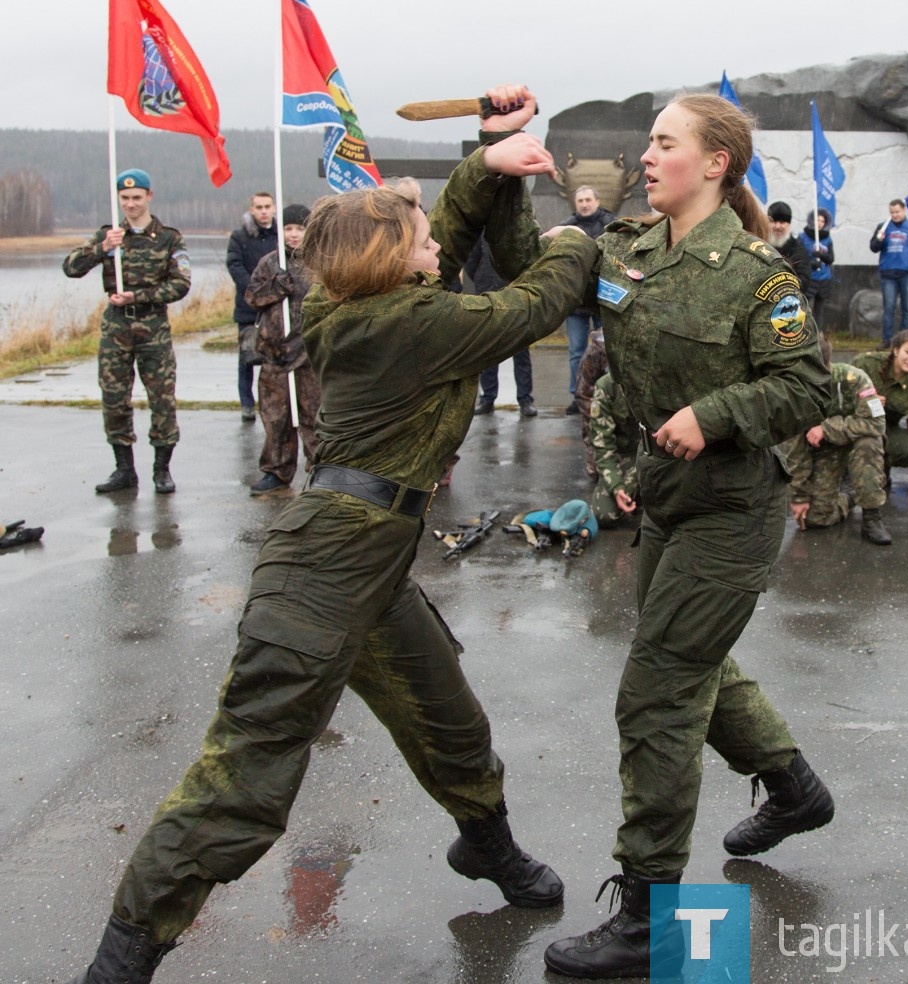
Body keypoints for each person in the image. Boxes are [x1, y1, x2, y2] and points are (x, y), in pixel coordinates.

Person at [62, 90, 601, 984]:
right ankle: (118, 961)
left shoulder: (371, 306)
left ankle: (488, 849)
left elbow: (447, 235)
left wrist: (488, 155)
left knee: (451, 722)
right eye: (423, 241)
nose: (439, 249)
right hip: (321, 570)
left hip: (377, 561)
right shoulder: (414, 325)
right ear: (396, 262)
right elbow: (536, 301)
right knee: (246, 779)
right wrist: (576, 239)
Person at [477, 86, 834, 979]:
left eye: (664, 143)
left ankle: (652, 916)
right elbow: (532, 266)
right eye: (648, 142)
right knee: (690, 666)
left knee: (658, 693)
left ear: (714, 163)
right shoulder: (625, 251)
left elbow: (808, 389)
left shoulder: (760, 275)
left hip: (733, 510)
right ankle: (794, 789)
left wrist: (712, 413)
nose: (645, 156)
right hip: (667, 498)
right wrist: (498, 165)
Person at [62, 168, 190, 495]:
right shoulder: (110, 235)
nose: (130, 204)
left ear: (149, 196)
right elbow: (71, 268)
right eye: (124, 198)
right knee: (114, 398)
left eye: (136, 197)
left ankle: (162, 469)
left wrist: (141, 295)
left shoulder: (169, 238)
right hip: (116, 326)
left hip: (153, 327)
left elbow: (180, 284)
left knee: (161, 398)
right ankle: (124, 468)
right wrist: (102, 248)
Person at [244, 204, 321, 496]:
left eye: (299, 228)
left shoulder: (318, 263)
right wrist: (277, 287)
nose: (293, 235)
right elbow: (252, 296)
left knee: (313, 417)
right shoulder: (270, 263)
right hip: (274, 356)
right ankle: (276, 471)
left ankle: (319, 471)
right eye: (288, 228)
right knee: (276, 418)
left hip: (309, 355)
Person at [784, 335, 891, 544]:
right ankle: (849, 496)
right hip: (826, 451)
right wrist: (798, 496)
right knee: (816, 519)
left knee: (869, 443)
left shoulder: (855, 379)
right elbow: (795, 448)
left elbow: (876, 424)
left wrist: (826, 427)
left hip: (858, 446)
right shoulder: (797, 391)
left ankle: (871, 517)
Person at [853, 330, 908, 498]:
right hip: (852, 421)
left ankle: (881, 470)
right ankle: (846, 472)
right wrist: (863, 400)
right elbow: (837, 392)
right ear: (895, 350)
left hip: (884, 428)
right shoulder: (867, 364)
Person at [465, 235, 537, 417]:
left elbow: (531, 260)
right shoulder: (482, 232)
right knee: (488, 351)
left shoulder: (520, 230)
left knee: (521, 352)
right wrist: (484, 280)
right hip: (487, 296)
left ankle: (525, 399)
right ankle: (487, 398)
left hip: (517, 296)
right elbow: (471, 262)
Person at [559, 185, 616, 414]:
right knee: (576, 352)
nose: (584, 203)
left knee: (608, 351)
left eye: (588, 199)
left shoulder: (611, 225)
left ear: (597, 200)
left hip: (604, 300)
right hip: (576, 302)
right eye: (580, 200)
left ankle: (608, 394)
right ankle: (578, 395)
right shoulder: (566, 228)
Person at [226, 192, 278, 422]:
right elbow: (234, 265)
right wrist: (254, 289)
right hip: (248, 307)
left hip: (277, 305)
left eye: (267, 206)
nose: (264, 211)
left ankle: (275, 401)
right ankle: (246, 403)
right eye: (259, 207)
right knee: (246, 357)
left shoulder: (282, 235)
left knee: (275, 357)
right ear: (252, 209)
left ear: (274, 208)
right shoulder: (240, 237)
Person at [870, 199, 908, 349]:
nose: (894, 215)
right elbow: (873, 247)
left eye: (897, 212)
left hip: (907, 274)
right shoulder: (883, 227)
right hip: (888, 274)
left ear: (904, 210)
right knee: (889, 308)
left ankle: (906, 340)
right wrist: (878, 240)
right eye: (892, 212)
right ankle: (887, 340)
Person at [589, 372, 641, 527]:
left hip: (661, 451)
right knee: (605, 514)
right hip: (628, 455)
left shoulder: (658, 378)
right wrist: (617, 487)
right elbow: (603, 445)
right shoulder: (607, 386)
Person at [575, 328, 610, 478]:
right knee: (597, 472)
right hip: (596, 406)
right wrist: (602, 416)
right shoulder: (594, 354)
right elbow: (583, 394)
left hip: (624, 406)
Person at [800, 207, 835, 329]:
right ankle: (804, 333)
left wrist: (822, 255)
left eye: (822, 221)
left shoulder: (827, 238)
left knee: (819, 310)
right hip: (809, 278)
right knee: (805, 308)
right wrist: (811, 263)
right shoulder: (803, 237)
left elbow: (831, 259)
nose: (819, 223)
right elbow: (800, 257)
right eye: (817, 220)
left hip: (823, 278)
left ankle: (818, 334)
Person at [767, 200, 812, 286]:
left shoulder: (798, 249)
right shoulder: (761, 245)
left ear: (788, 224)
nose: (777, 226)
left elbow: (804, 279)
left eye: (782, 222)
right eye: (773, 221)